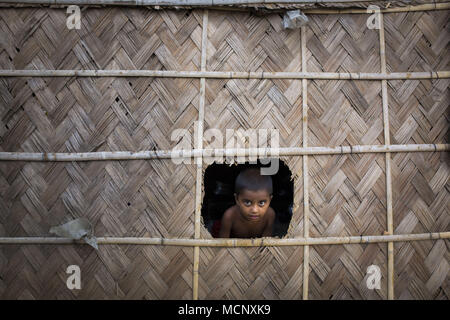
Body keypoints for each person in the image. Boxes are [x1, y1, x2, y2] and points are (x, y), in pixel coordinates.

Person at [218, 168, 275, 238]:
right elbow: (222, 245)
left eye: (261, 203)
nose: (254, 210)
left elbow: (267, 243)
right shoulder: (230, 216)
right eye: (247, 203)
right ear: (237, 199)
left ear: (270, 200)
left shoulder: (270, 215)